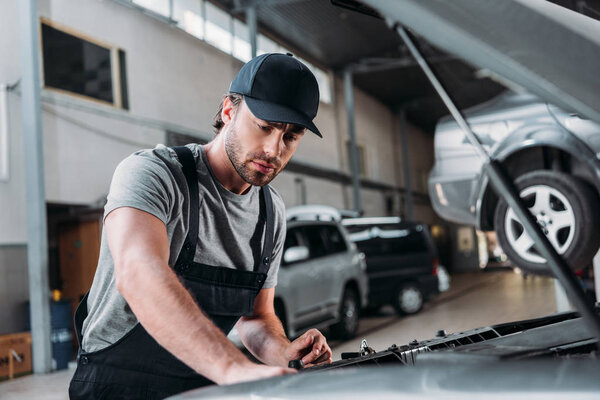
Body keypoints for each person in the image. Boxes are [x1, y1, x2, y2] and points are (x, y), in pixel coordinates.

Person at [69, 53, 332, 400]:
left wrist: (284, 353)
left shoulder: (272, 213)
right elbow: (138, 274)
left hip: (200, 387)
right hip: (115, 385)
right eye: (264, 126)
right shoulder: (154, 174)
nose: (273, 149)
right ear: (228, 112)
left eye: (291, 136)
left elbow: (256, 318)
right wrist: (233, 369)